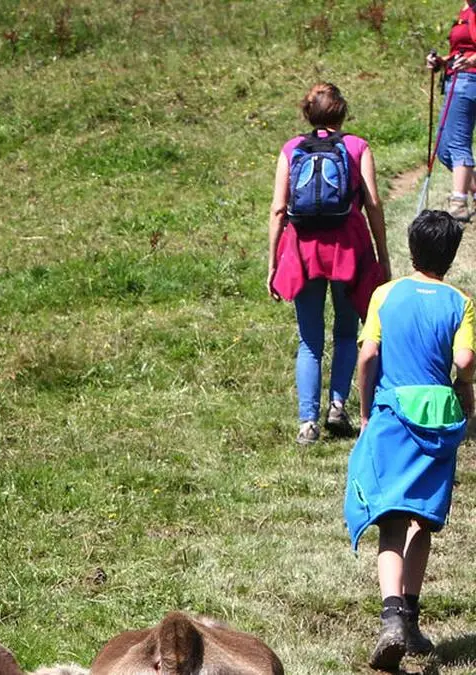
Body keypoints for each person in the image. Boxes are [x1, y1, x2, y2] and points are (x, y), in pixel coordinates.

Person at [343, 210, 474, 671]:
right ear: (453, 255)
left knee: (391, 523)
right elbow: (464, 359)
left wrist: (363, 413)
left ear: (411, 247)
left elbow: (369, 355)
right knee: (423, 522)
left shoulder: (385, 294)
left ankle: (392, 619)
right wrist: (464, 392)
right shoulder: (461, 301)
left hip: (392, 415)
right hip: (437, 421)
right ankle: (412, 620)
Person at [267, 82, 391, 444]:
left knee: (309, 340)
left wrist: (274, 261)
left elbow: (278, 209)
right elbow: (373, 204)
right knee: (345, 332)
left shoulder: (292, 149)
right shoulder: (357, 146)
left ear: (309, 114)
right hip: (347, 247)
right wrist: (382, 257)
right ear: (342, 113)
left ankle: (307, 422)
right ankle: (337, 405)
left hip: (303, 248)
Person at [427, 1, 476, 221]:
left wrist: (470, 61)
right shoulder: (466, 8)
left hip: (469, 80)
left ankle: (459, 203)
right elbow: (460, 51)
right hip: (455, 78)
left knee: (457, 142)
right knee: (444, 148)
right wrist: (440, 62)